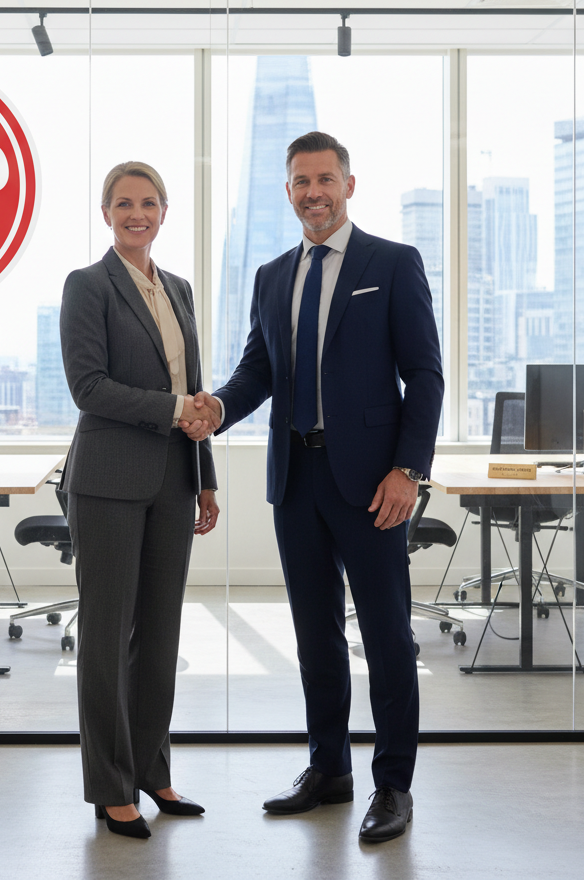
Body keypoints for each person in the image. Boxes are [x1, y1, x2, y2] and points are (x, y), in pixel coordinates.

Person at [189, 131, 443, 843]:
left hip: (372, 485)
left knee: (388, 639)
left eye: (326, 179)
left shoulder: (391, 264)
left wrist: (408, 470)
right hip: (296, 480)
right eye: (301, 181)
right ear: (290, 192)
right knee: (315, 636)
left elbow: (424, 375)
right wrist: (215, 410)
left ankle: (393, 785)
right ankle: (328, 768)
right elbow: (257, 373)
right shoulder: (273, 275)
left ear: (349, 186)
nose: (314, 192)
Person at [59, 161, 222, 840]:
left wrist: (205, 474)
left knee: (159, 637)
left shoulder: (178, 288)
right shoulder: (87, 286)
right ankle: (110, 785)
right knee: (105, 638)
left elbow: (195, 389)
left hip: (173, 479)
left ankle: (153, 770)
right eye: (124, 204)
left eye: (149, 204)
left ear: (164, 212)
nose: (137, 214)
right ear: (106, 213)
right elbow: (88, 387)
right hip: (106, 479)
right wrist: (178, 408)